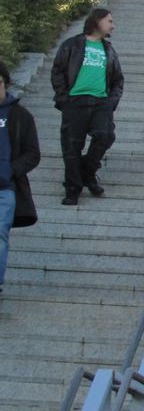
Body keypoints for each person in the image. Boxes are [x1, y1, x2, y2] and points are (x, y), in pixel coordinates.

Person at [51, 8, 124, 206]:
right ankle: (73, 189)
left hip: (101, 102)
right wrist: (64, 98)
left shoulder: (109, 50)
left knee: (105, 136)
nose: (113, 26)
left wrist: (111, 102)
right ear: (97, 21)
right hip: (75, 101)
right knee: (72, 145)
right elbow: (57, 70)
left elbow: (118, 80)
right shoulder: (72, 45)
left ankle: (87, 171)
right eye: (109, 21)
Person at [0, 62, 40, 294]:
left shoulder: (20, 116)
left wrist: (9, 170)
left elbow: (33, 154)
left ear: (5, 83)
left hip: (6, 188)